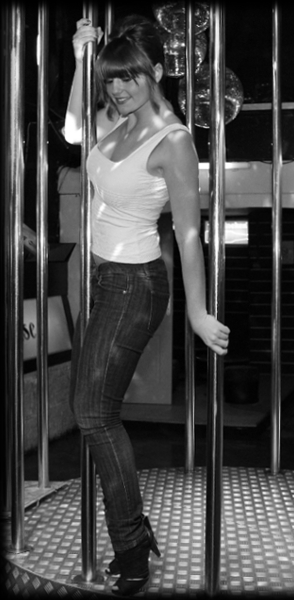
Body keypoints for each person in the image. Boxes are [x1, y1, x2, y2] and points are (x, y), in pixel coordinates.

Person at [64, 15, 230, 597]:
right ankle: (133, 537)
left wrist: (197, 312)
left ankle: (132, 544)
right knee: (91, 409)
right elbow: (72, 129)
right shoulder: (115, 120)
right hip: (98, 279)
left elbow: (189, 233)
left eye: (129, 77)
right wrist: (82, 60)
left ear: (157, 71)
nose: (117, 89)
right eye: (110, 79)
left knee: (93, 414)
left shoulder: (173, 141)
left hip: (134, 285)